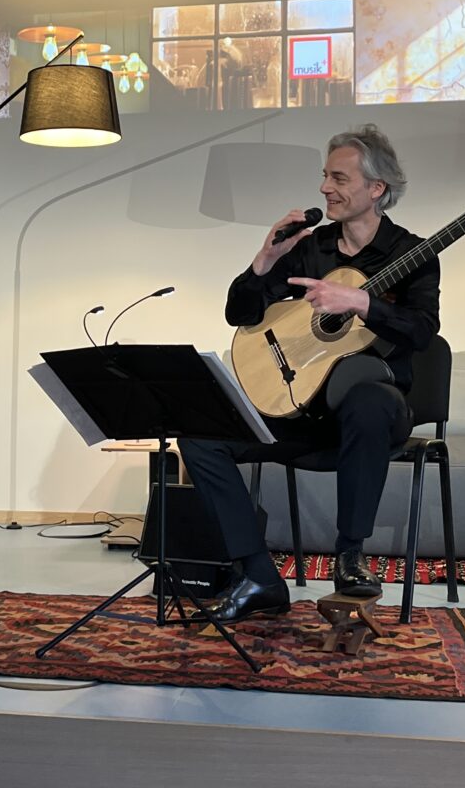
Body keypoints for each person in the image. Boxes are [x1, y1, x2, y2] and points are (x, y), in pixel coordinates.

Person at [179, 124, 440, 622]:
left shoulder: (412, 253)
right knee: (199, 437)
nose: (324, 188)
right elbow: (241, 313)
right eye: (325, 176)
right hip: (304, 413)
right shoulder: (310, 248)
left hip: (373, 417)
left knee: (368, 399)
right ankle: (257, 574)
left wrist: (361, 303)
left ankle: (350, 556)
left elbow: (424, 331)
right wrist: (264, 261)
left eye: (339, 178)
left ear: (377, 188)